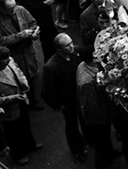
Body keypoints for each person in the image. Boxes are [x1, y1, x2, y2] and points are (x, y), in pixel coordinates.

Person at [0, 46, 42, 165]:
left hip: (21, 101)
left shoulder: (9, 61)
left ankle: (30, 144)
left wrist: (24, 83)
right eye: (5, 59)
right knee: (13, 134)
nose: (9, 60)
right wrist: (13, 98)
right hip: (9, 110)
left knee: (25, 124)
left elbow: (19, 72)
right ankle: (18, 155)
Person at [0, 0, 42, 109]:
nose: (14, 10)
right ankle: (24, 104)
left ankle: (33, 100)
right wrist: (20, 35)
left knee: (31, 75)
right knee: (17, 79)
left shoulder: (20, 9)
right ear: (1, 8)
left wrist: (34, 32)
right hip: (13, 55)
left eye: (14, 7)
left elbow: (32, 22)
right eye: (10, 9)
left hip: (28, 50)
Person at [42, 33, 87, 161]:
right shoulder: (50, 67)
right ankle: (77, 150)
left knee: (85, 120)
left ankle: (88, 141)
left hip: (81, 95)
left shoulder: (76, 52)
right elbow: (46, 92)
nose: (72, 46)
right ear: (58, 49)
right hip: (68, 102)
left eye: (71, 42)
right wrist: (58, 105)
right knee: (72, 126)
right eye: (67, 45)